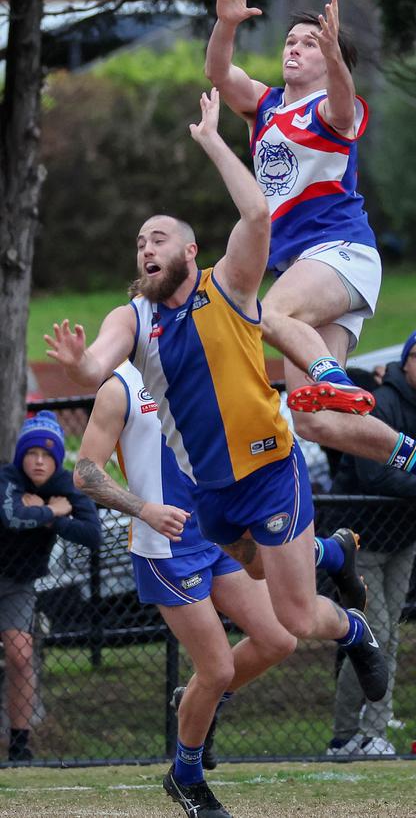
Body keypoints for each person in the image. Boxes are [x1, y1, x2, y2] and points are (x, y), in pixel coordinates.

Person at [45, 89, 386, 818]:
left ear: (191, 251)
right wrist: (78, 367)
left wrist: (211, 139)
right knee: (240, 632)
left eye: (159, 238)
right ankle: (193, 761)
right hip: (191, 515)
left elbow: (259, 214)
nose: (147, 248)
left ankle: (335, 601)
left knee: (283, 627)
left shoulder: (231, 286)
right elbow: (94, 374)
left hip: (254, 482)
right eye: (140, 242)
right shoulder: (132, 320)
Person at [204, 0, 416, 553]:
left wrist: (339, 59)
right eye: (291, 41)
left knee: (266, 314)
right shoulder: (267, 106)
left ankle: (331, 374)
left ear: (330, 62)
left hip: (342, 254)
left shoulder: (333, 109)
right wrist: (226, 23)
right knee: (316, 422)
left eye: (310, 43)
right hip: (309, 267)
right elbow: (219, 73)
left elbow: (348, 104)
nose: (295, 49)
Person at [76, 360, 298, 773]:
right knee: (216, 670)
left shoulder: (200, 367)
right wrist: (144, 509)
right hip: (167, 546)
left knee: (279, 639)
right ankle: (186, 774)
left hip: (219, 533)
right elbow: (86, 473)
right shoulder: (121, 386)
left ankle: (195, 698)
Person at [326, 330, 416, 757]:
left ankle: (364, 734)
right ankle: (353, 735)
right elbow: (376, 475)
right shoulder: (384, 403)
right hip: (360, 539)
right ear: (405, 364)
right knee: (375, 633)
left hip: (403, 541)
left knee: (387, 639)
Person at [0, 411, 102, 762]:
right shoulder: (8, 478)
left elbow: (92, 534)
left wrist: (46, 514)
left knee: (20, 654)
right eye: (31, 453)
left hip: (18, 583)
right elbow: (12, 518)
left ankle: (19, 745)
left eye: (46, 454)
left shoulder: (66, 486)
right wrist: (54, 512)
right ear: (21, 457)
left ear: (57, 459)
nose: (38, 461)